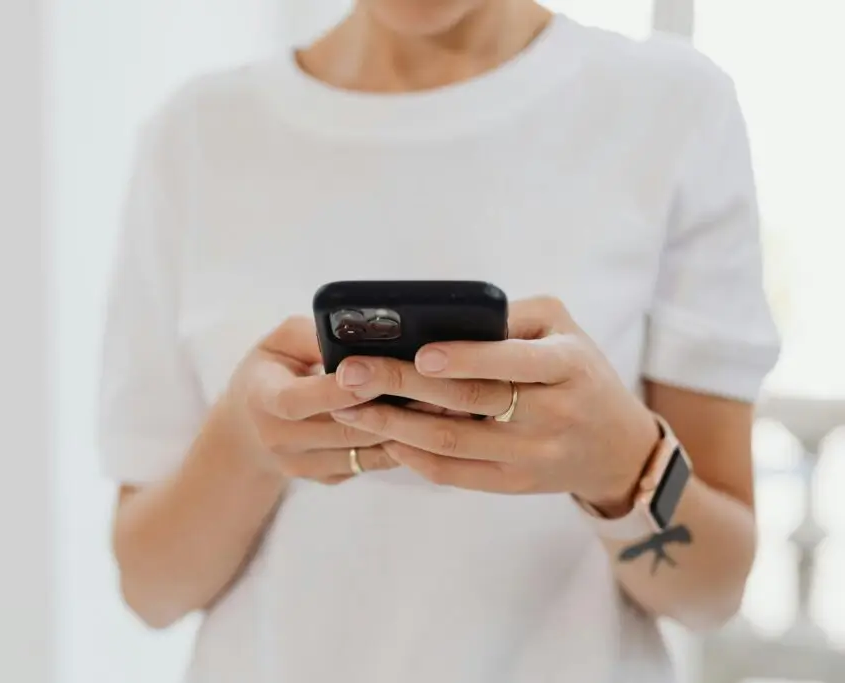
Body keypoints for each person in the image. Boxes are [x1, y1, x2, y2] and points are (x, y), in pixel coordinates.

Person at [98, 1, 781, 681]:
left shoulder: (672, 108)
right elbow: (151, 590)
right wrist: (245, 445)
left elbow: (713, 593)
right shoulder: (195, 135)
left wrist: (622, 465)